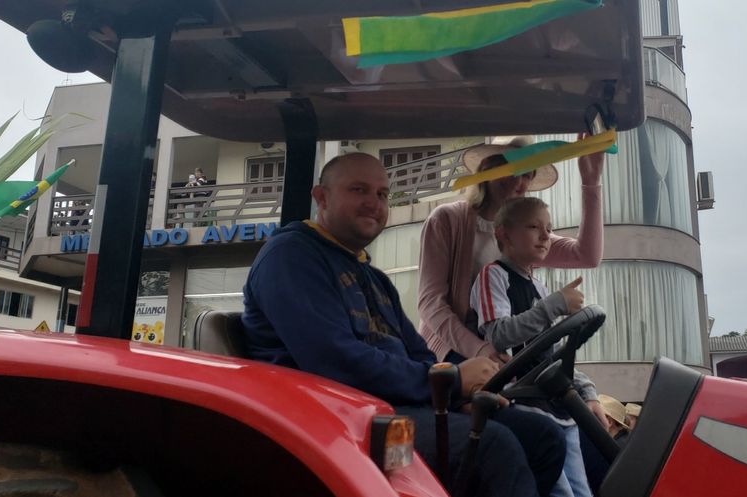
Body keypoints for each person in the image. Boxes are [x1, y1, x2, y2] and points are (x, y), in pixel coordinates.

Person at [242, 153, 565, 497]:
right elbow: (335, 360)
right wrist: (453, 381)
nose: (374, 203)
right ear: (321, 197)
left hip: (393, 408)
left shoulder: (374, 278)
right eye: (358, 190)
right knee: (494, 446)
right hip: (337, 421)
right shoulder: (292, 256)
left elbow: (418, 352)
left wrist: (454, 397)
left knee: (543, 437)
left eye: (382, 194)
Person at [418, 135, 604, 366]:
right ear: (487, 170)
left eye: (527, 174)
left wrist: (591, 181)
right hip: (450, 354)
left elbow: (587, 256)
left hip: (507, 352)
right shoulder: (446, 220)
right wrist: (479, 349)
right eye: (511, 168)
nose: (518, 181)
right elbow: (430, 303)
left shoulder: (526, 236)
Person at [470, 196, 602, 497]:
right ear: (504, 235)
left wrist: (587, 392)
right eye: (533, 227)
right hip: (520, 400)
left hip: (554, 403)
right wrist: (554, 305)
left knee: (581, 491)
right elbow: (499, 335)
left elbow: (551, 356)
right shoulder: (494, 275)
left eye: (549, 229)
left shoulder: (540, 289)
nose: (545, 236)